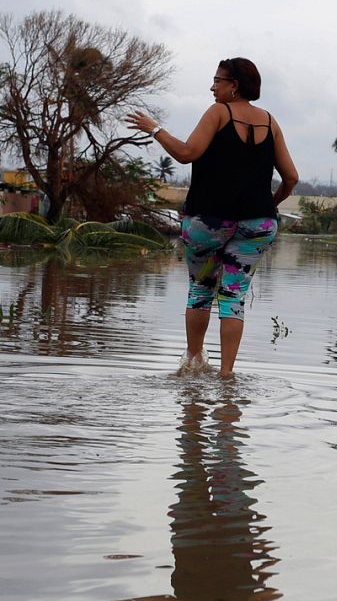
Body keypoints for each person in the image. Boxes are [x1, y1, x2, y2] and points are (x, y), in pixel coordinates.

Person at [126, 58, 299, 379]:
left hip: (209, 221)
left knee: (201, 291)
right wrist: (268, 205)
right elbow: (291, 177)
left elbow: (188, 153)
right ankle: (227, 374)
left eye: (217, 80)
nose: (212, 86)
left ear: (234, 85)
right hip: (258, 224)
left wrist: (155, 129)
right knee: (233, 296)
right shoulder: (271, 123)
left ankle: (193, 363)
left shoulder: (219, 111)